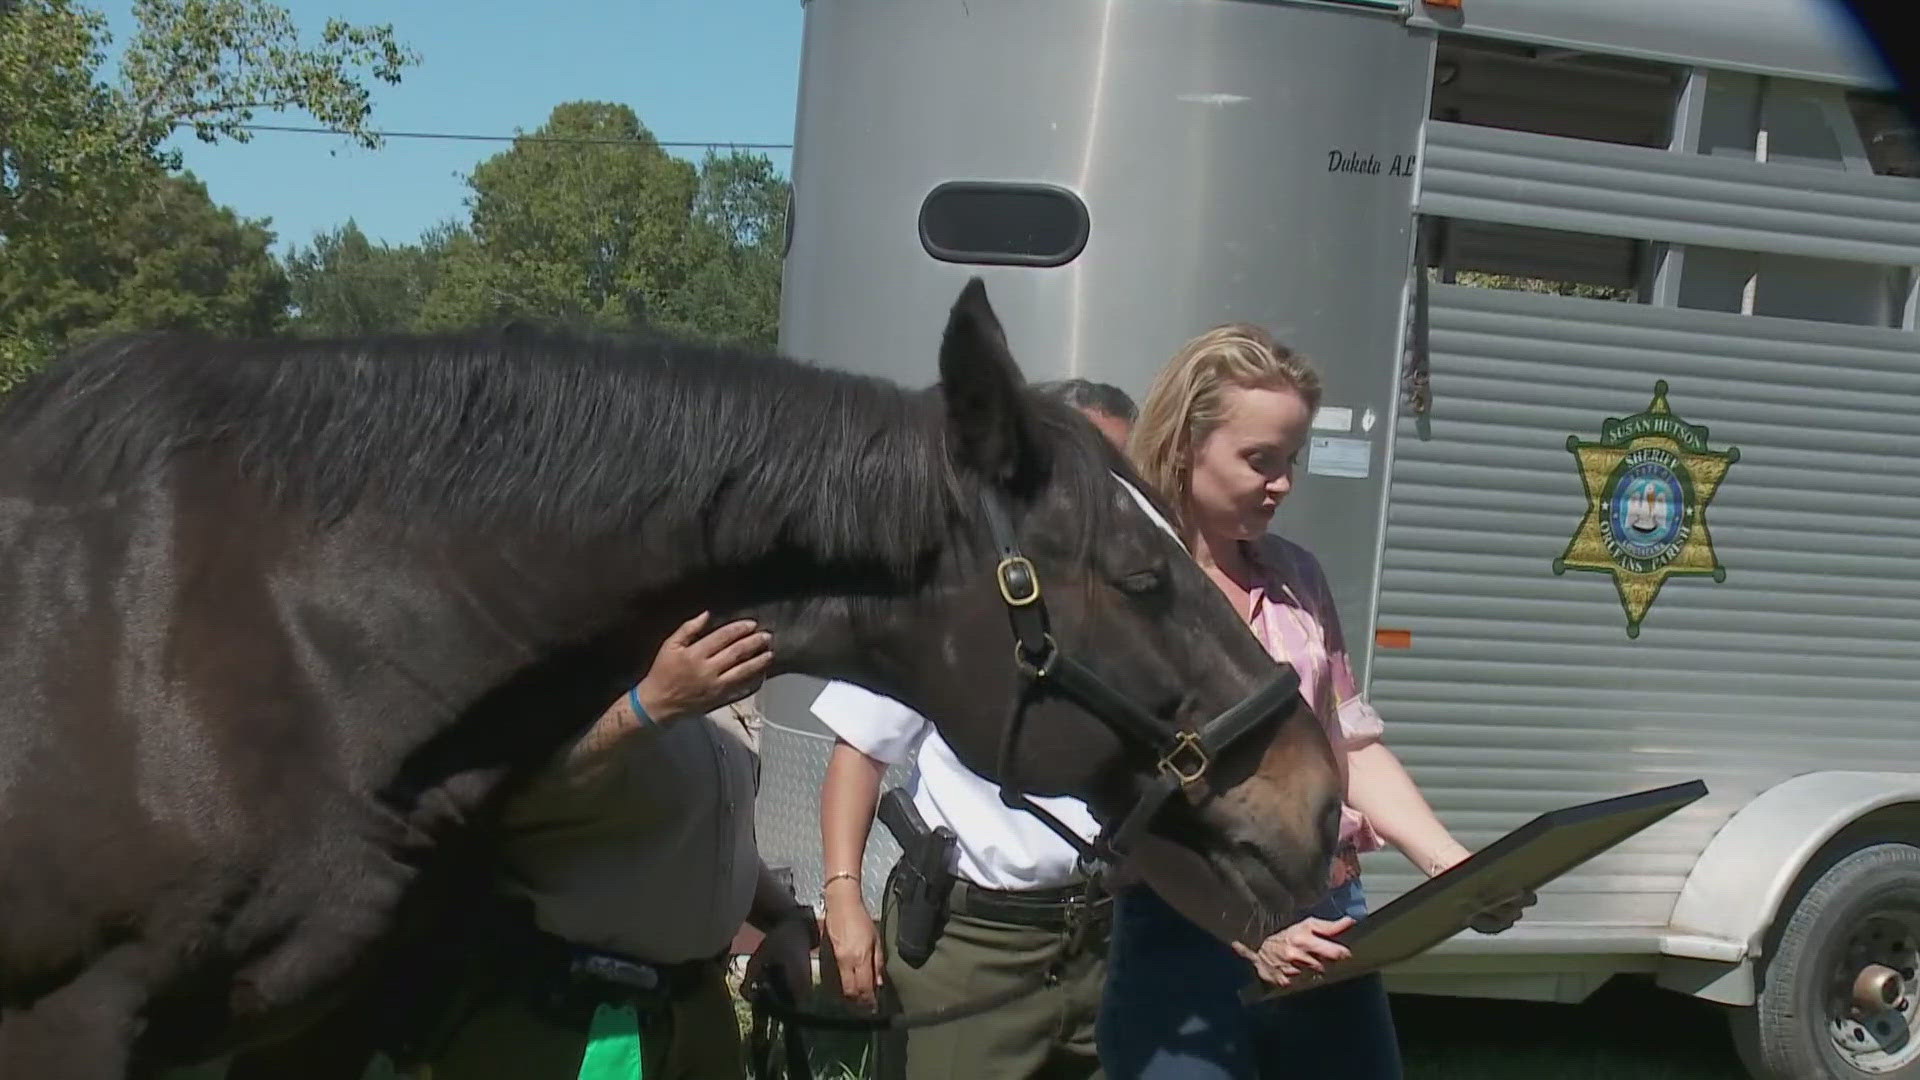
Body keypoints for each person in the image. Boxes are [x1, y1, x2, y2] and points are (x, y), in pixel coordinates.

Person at [1095, 325, 1534, 1080]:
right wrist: (1248, 932)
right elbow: (1125, 805)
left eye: (1290, 460)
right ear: (1183, 444)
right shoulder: (1125, 593)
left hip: (1332, 923)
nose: (1284, 484)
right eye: (1259, 460)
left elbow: (1348, 746)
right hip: (1185, 937)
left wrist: (1451, 866)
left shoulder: (1298, 575)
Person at [813, 380, 1137, 1080]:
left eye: (1116, 473)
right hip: (974, 945)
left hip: (1104, 942)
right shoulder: (952, 597)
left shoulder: (1138, 615)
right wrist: (842, 895)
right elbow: (860, 755)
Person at [385, 611, 817, 1080]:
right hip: (562, 1021)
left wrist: (787, 922)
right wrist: (647, 708)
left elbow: (711, 841)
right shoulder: (562, 648)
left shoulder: (721, 677)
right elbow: (510, 806)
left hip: (696, 1018)